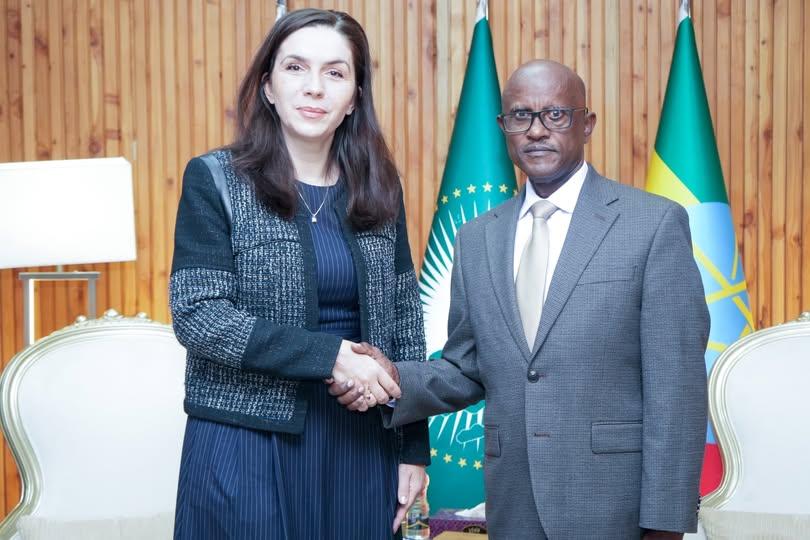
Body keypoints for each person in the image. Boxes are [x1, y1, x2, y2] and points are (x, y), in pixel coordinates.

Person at [334, 60, 710, 539]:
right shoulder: (477, 239)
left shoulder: (652, 224)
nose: (536, 130)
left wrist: (665, 522)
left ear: (587, 124)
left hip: (614, 506)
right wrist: (390, 378)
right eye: (520, 116)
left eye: (555, 114)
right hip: (514, 503)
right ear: (503, 127)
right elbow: (466, 367)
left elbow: (676, 387)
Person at [169, 9, 428, 539]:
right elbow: (200, 316)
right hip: (246, 439)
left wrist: (413, 448)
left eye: (335, 73)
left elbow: (405, 321)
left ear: (354, 97)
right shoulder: (215, 178)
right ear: (268, 86)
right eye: (295, 68)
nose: (314, 87)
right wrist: (329, 356)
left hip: (361, 441)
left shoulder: (380, 186)